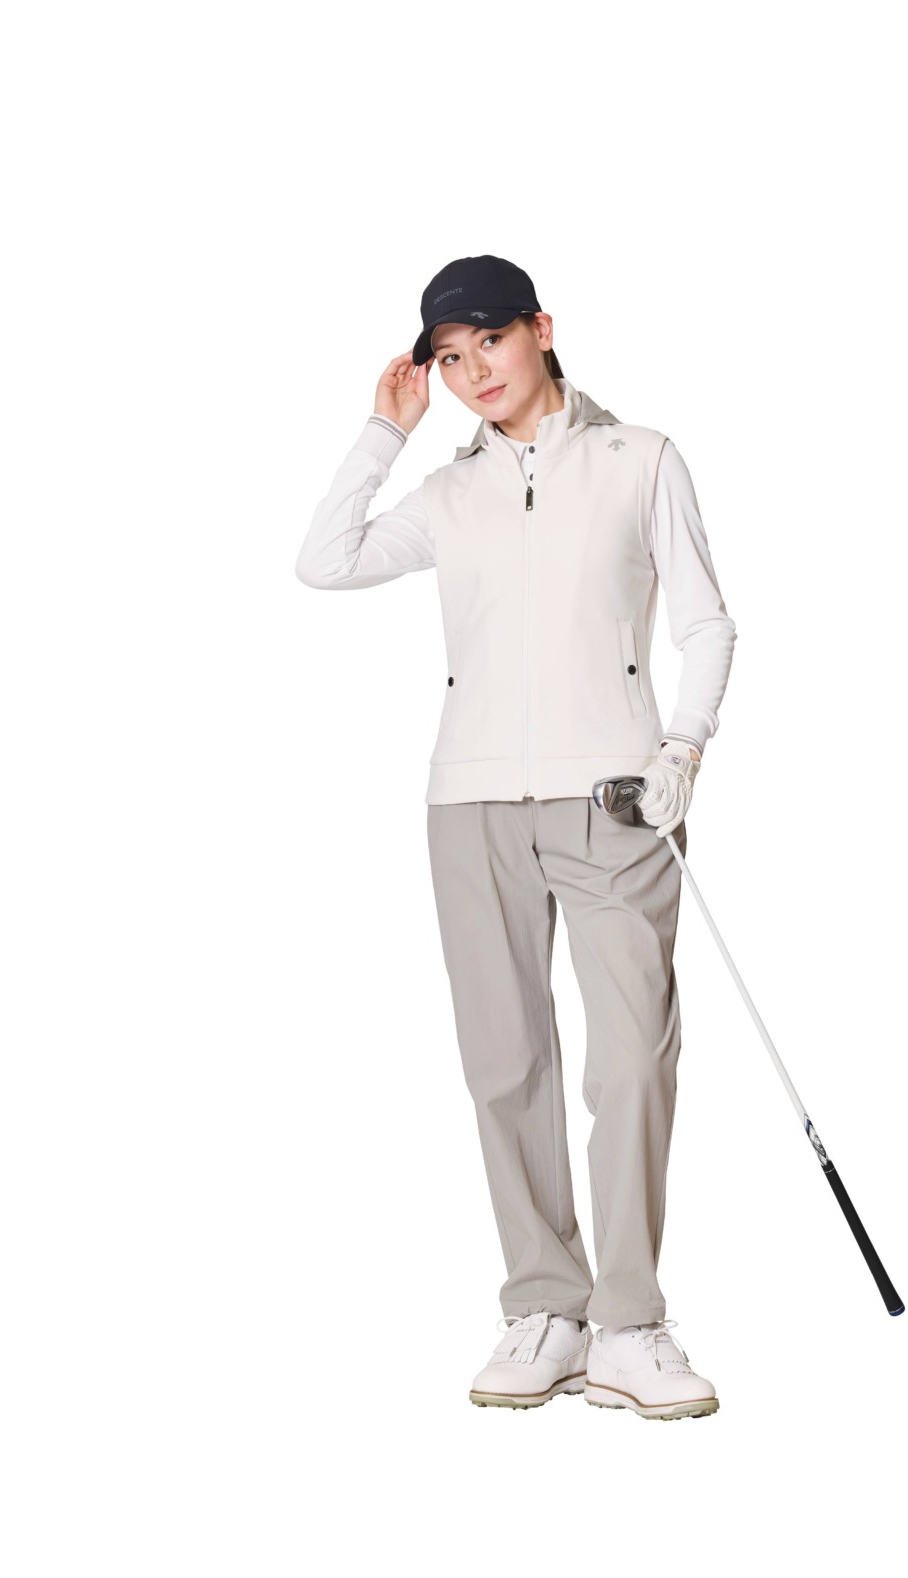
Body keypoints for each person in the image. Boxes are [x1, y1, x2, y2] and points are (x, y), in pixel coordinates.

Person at [295, 255, 737, 1422]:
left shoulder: (638, 457)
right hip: (471, 804)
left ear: (540, 328)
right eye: (447, 357)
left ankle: (629, 1323)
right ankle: (546, 1305)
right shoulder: (448, 493)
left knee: (631, 1057)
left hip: (616, 799)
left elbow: (705, 623)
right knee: (505, 1063)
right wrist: (383, 432)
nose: (471, 370)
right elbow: (323, 560)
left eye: (487, 340)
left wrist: (680, 751)